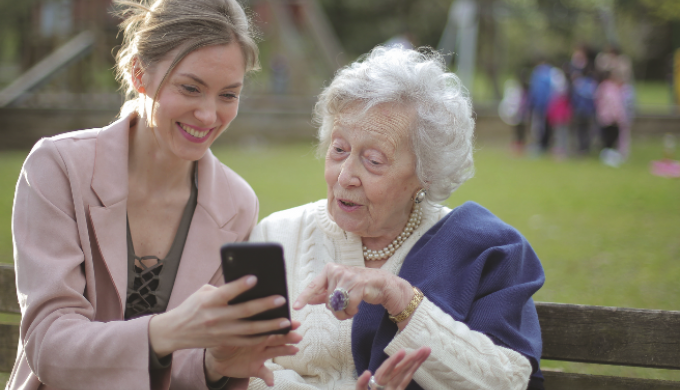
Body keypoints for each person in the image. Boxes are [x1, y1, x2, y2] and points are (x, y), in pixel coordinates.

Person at [7, 0, 301, 389]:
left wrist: (216, 364)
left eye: (228, 95)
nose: (209, 115)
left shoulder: (236, 205)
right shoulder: (58, 167)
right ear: (139, 74)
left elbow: (184, 370)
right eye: (190, 88)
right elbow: (50, 347)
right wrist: (165, 331)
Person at [249, 46, 545, 390]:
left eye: (373, 160)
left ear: (427, 173)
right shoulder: (277, 235)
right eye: (339, 149)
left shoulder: (482, 249)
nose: (345, 176)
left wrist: (401, 299)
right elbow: (242, 369)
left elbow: (509, 381)